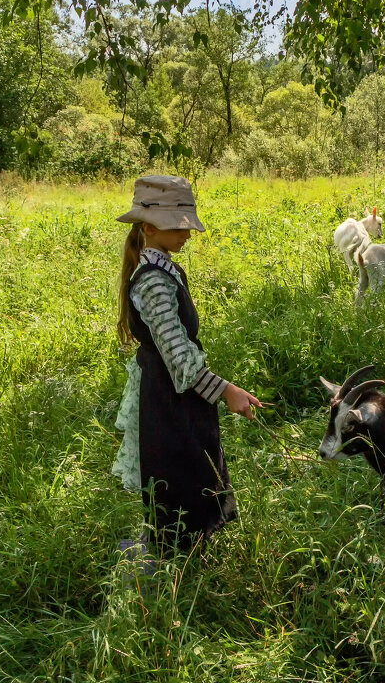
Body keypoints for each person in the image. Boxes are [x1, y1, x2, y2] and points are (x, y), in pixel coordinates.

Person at [110, 175, 261, 561]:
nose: (187, 234)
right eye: (178, 226)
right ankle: (163, 565)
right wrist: (227, 390)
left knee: (190, 467)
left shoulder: (163, 270)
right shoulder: (154, 283)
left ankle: (180, 554)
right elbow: (178, 356)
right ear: (148, 228)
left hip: (177, 393)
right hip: (168, 397)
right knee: (175, 474)